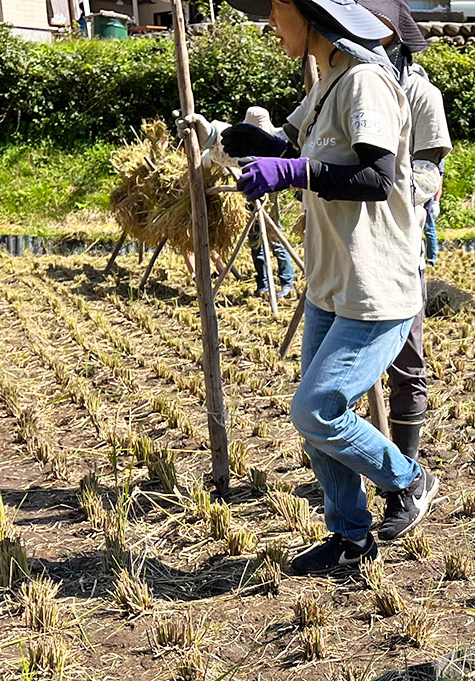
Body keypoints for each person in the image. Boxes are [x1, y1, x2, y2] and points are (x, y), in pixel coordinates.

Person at [186, 0, 437, 572]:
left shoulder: (366, 81)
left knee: (318, 410)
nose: (272, 26)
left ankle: (410, 478)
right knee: (318, 427)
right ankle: (351, 537)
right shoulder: (329, 81)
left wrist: (294, 172)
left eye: (278, 11)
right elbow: (296, 150)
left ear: (310, 13)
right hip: (331, 283)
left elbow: (376, 178)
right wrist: (246, 141)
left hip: (374, 287)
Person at [354, 0, 453, 525]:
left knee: (406, 362)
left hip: (397, 249)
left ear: (390, 37)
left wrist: (385, 197)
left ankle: (406, 482)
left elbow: (429, 174)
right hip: (349, 253)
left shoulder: (421, 94)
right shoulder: (348, 81)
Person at [239, 107, 297, 301]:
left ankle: (286, 282)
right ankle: (262, 284)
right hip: (248, 197)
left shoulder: (275, 142)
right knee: (255, 242)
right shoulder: (241, 144)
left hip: (269, 199)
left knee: (275, 239)